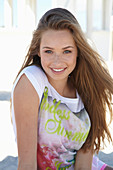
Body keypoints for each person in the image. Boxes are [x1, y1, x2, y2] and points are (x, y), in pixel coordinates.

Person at [11, 8, 113, 170]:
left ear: (78, 51)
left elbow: (83, 165)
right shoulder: (31, 81)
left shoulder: (88, 89)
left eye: (66, 51)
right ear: (38, 50)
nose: (57, 62)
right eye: (49, 51)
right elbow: (27, 164)